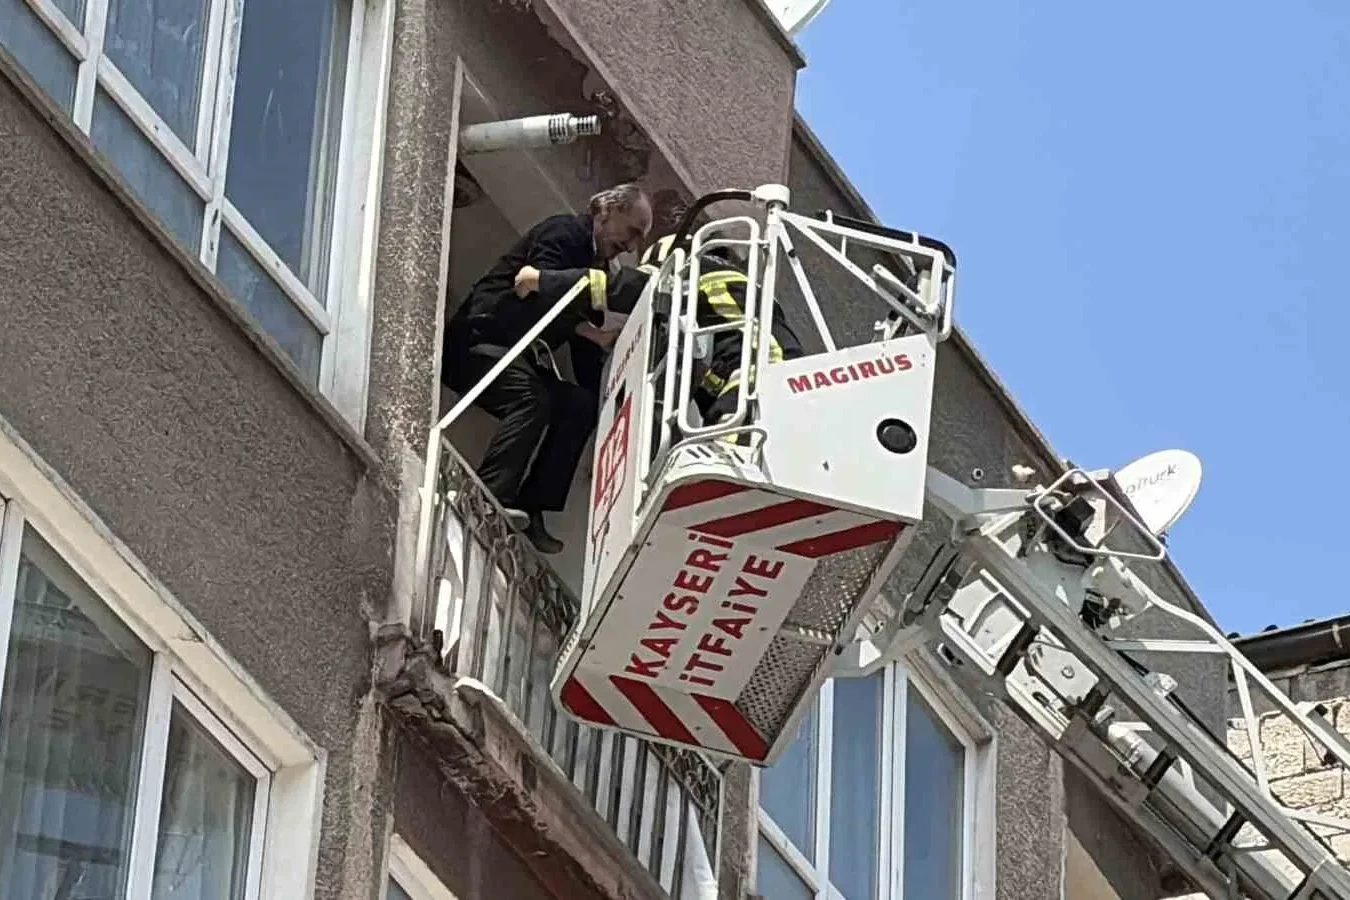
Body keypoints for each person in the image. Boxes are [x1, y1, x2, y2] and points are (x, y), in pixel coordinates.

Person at [441, 185, 653, 553]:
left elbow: (582, 351)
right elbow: (540, 286)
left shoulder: (596, 266)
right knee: (531, 397)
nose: (631, 246)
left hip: (512, 356)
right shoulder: (565, 232)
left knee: (578, 406)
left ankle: (531, 505)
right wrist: (590, 314)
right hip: (476, 344)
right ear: (607, 211)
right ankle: (486, 498)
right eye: (632, 231)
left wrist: (607, 406)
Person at [638, 234, 804, 432]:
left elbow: (636, 288)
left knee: (734, 442)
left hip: (758, 372)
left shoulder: (686, 270)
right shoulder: (734, 290)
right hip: (779, 372)